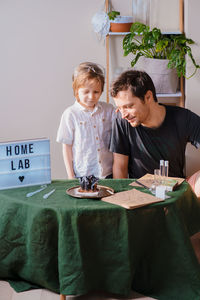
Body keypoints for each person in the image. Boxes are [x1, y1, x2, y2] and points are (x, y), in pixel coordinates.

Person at [109, 70, 200, 179]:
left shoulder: (183, 118)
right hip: (137, 192)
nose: (123, 114)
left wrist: (195, 181)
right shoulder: (121, 121)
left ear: (148, 97)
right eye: (119, 108)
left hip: (174, 191)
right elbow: (120, 166)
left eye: (128, 106)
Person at [56, 62, 115, 179]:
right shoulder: (70, 114)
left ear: (101, 91)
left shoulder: (108, 110)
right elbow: (66, 147)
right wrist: (70, 176)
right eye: (86, 92)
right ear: (76, 90)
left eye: (96, 92)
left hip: (108, 173)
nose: (91, 97)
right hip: (83, 174)